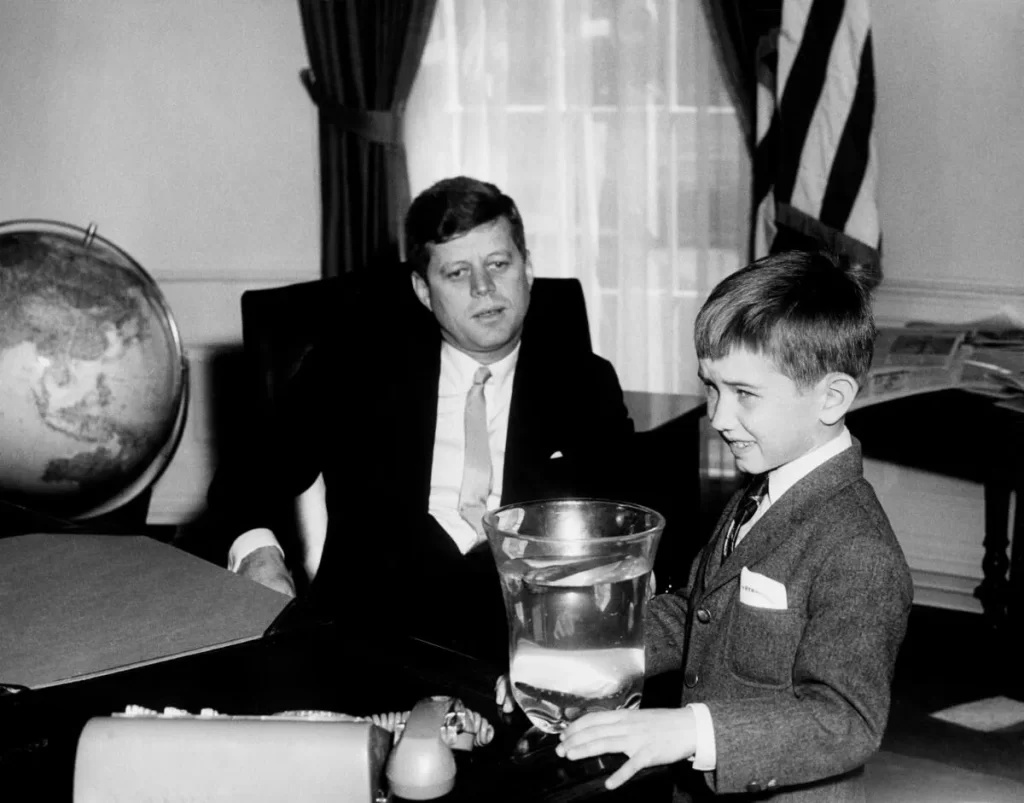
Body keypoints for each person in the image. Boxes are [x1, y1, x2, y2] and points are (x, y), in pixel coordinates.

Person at [206, 175, 636, 662]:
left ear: (527, 269)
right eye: (457, 273)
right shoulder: (354, 370)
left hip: (527, 642)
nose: (484, 287)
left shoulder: (584, 383)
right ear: (423, 290)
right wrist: (261, 557)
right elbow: (242, 480)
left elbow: (626, 521)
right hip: (370, 637)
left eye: (499, 264)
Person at [539, 250, 914, 801]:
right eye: (711, 387)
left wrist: (690, 729)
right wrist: (584, 655)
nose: (717, 416)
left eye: (744, 394)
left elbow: (846, 722)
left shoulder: (858, 549)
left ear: (832, 397)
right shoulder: (756, 492)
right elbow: (696, 613)